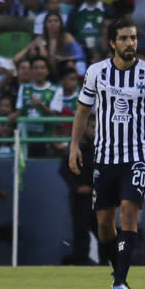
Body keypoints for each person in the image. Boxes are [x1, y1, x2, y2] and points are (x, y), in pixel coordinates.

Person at [69, 18, 145, 289]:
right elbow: (83, 111)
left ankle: (120, 281)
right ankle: (118, 269)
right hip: (104, 157)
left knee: (129, 215)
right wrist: (73, 146)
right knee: (104, 223)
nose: (131, 43)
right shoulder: (96, 72)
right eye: (125, 38)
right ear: (112, 43)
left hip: (137, 155)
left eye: (134, 38)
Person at [59, 113, 96, 265]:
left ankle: (107, 266)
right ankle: (81, 265)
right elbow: (63, 169)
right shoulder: (75, 147)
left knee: (105, 233)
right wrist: (77, 187)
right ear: (84, 128)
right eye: (92, 127)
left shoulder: (105, 146)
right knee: (80, 232)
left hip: (100, 198)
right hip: (80, 199)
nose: (96, 130)